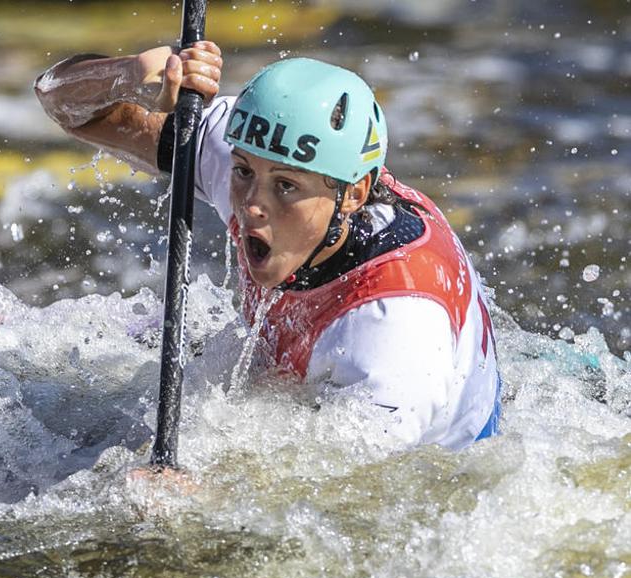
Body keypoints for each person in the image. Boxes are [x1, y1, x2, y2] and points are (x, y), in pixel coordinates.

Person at [35, 42, 501, 450]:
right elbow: (59, 100)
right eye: (242, 173)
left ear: (354, 194)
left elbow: (326, 506)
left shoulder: (392, 339)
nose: (253, 205)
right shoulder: (260, 155)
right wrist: (131, 75)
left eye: (286, 188)